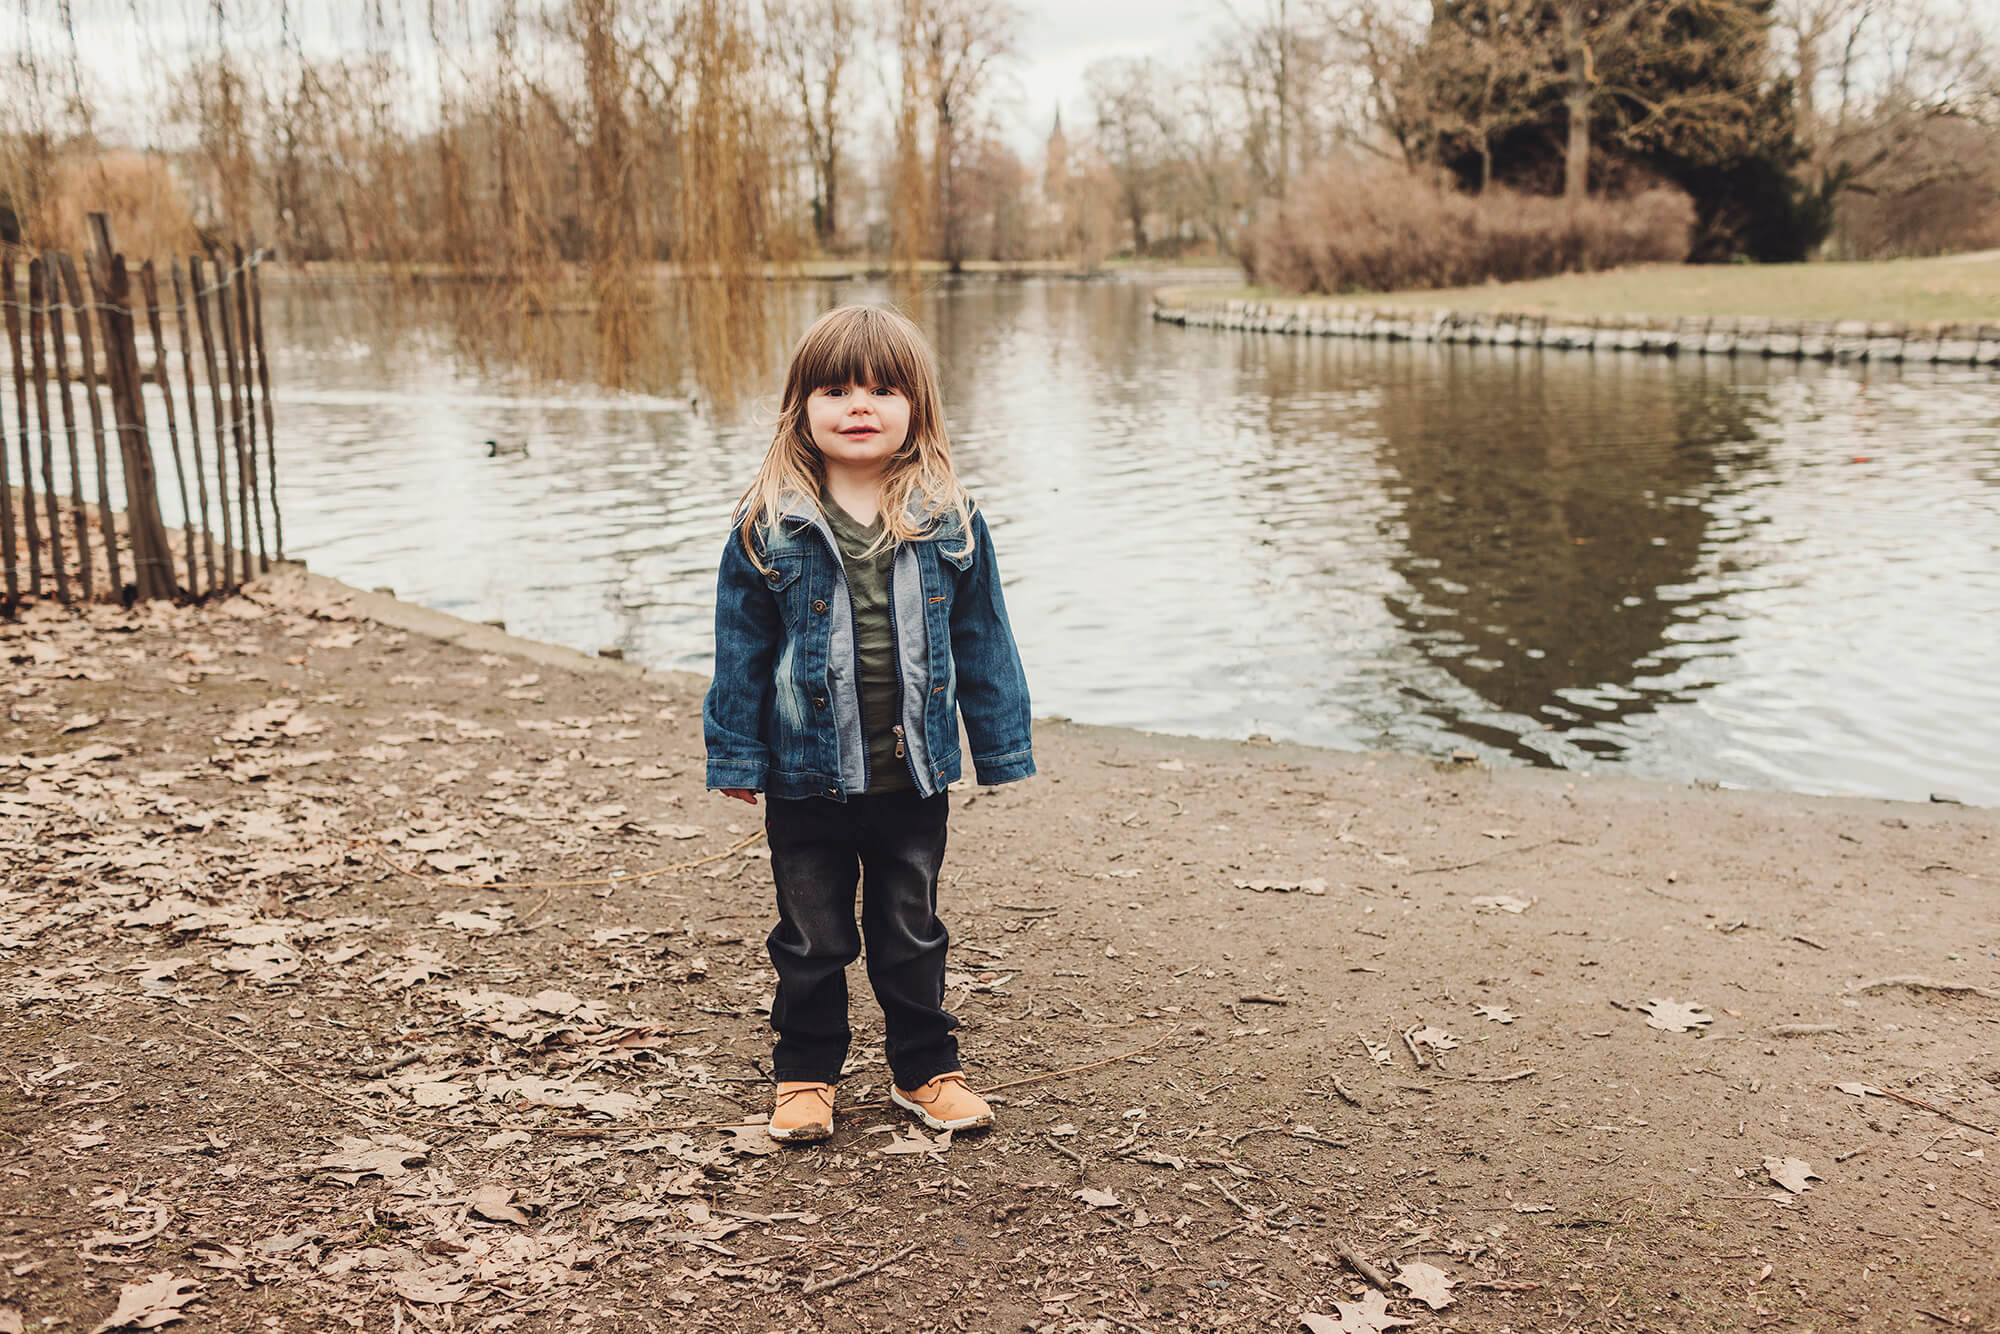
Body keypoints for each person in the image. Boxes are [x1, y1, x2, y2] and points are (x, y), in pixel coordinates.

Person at [703, 304, 1035, 1145]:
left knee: (910, 929)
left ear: (916, 405)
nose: (860, 405)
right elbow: (740, 650)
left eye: (883, 389)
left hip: (911, 776)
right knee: (812, 937)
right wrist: (736, 753)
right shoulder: (768, 521)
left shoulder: (950, 516)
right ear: (800, 408)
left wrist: (999, 747)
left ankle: (925, 1069)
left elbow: (985, 638)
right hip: (804, 777)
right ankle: (805, 1073)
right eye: (837, 389)